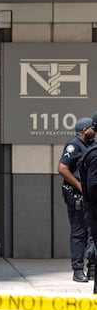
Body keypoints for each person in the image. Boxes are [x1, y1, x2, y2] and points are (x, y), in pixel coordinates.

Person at [58, 117, 96, 282]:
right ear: (85, 130)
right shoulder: (74, 146)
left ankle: (92, 268)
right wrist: (80, 186)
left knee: (91, 233)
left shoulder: (90, 145)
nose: (95, 131)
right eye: (93, 129)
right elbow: (62, 168)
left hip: (89, 197)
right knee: (79, 232)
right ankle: (78, 269)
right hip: (76, 196)